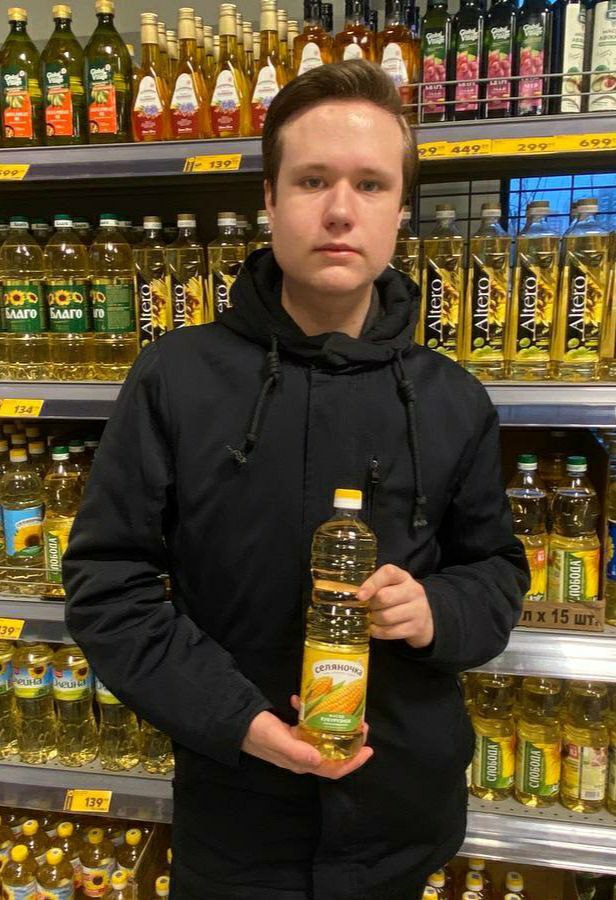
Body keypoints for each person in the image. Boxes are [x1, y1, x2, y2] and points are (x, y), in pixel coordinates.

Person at [63, 60, 529, 900]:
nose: (340, 210)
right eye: (312, 180)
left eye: (370, 184)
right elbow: (109, 587)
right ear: (269, 201)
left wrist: (437, 610)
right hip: (236, 820)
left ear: (400, 210)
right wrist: (237, 721)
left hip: (404, 822)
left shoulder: (454, 398)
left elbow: (496, 572)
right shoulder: (175, 378)